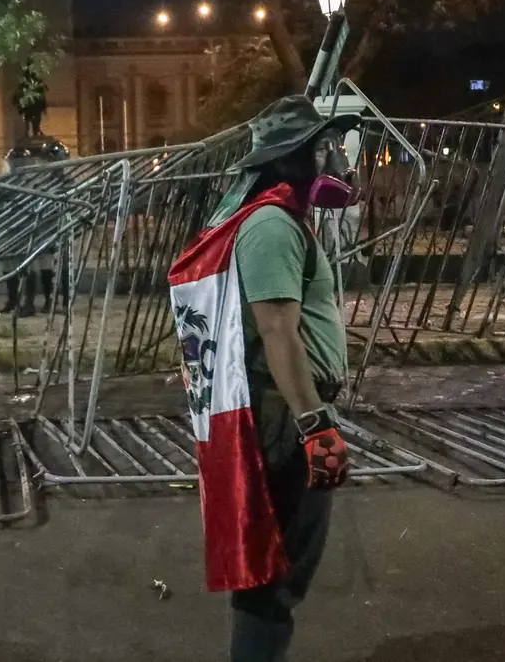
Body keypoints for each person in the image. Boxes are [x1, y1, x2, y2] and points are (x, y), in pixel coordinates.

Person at [167, 95, 357, 662]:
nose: (336, 160)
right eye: (326, 148)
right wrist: (315, 424)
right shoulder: (271, 226)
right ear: (295, 158)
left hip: (284, 413)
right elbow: (279, 333)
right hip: (286, 417)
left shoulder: (279, 220)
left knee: (272, 580)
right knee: (272, 583)